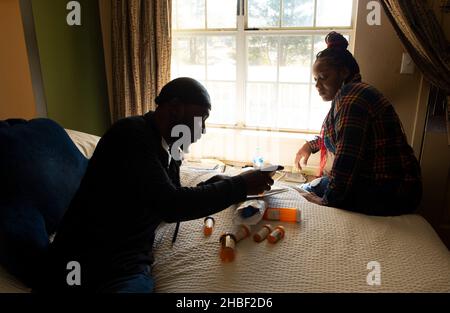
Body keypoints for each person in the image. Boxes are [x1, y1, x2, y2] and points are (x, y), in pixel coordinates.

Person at [39, 77, 274, 293]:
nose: (203, 129)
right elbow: (171, 206)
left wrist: (229, 182)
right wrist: (240, 186)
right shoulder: (130, 135)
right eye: (202, 118)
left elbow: (170, 193)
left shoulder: (168, 146)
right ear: (175, 108)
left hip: (125, 257)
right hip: (93, 260)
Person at [295, 32, 422, 216]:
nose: (317, 85)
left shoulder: (353, 98)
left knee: (306, 192)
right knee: (309, 187)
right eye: (315, 79)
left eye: (323, 77)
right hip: (384, 184)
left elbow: (346, 159)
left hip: (392, 190)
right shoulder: (349, 95)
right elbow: (340, 137)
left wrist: (327, 201)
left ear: (344, 72)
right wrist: (310, 145)